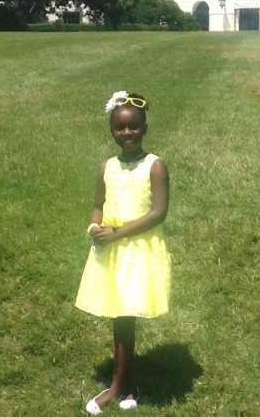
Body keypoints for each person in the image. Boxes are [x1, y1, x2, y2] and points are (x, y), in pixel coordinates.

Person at [76, 91, 171, 414]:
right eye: (119, 128)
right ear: (111, 130)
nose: (126, 134)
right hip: (111, 252)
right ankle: (126, 385)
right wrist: (95, 229)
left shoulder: (154, 166)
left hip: (138, 251)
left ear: (145, 127)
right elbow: (96, 207)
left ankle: (119, 385)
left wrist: (117, 234)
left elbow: (158, 212)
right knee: (119, 316)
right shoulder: (106, 167)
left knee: (126, 316)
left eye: (133, 127)